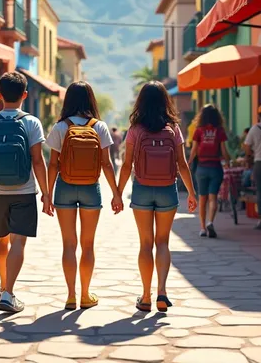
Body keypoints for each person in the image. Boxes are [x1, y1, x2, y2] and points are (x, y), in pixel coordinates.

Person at [118, 82, 197, 312]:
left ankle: (145, 296)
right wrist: (191, 193)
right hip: (167, 190)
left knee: (145, 243)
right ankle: (162, 292)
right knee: (162, 242)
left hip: (142, 188)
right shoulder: (173, 128)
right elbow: (182, 164)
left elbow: (126, 165)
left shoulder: (135, 129)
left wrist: (118, 192)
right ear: (165, 101)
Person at [0, 72, 52, 314]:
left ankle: (2, 286)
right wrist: (46, 192)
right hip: (24, 190)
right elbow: (38, 161)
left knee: (1, 239)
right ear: (25, 95)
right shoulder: (31, 122)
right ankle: (8, 293)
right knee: (18, 241)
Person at [46, 82, 121, 310]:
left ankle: (70, 295)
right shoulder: (99, 127)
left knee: (69, 244)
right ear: (91, 100)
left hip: (65, 187)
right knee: (88, 245)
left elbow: (52, 164)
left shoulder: (60, 127)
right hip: (90, 188)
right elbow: (107, 164)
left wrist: (48, 194)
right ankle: (85, 295)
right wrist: (116, 193)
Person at [189, 104, 230, 238]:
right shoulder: (220, 131)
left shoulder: (198, 130)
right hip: (215, 167)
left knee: (202, 198)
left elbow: (194, 150)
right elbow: (224, 150)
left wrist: (188, 162)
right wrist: (228, 162)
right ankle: (210, 222)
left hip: (201, 167)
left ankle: (202, 228)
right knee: (213, 198)